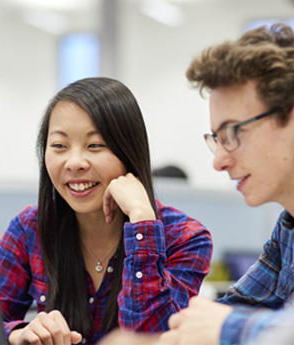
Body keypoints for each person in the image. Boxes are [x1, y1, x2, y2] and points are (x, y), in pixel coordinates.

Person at [99, 22, 294, 345]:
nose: (218, 161)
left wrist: (225, 327)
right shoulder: (288, 228)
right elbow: (222, 315)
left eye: (233, 133)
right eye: (216, 139)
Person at [0, 77, 212, 345]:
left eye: (95, 145)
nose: (74, 163)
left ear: (129, 151)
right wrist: (17, 334)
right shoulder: (31, 227)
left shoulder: (185, 237)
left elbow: (149, 337)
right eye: (59, 146)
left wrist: (142, 221)